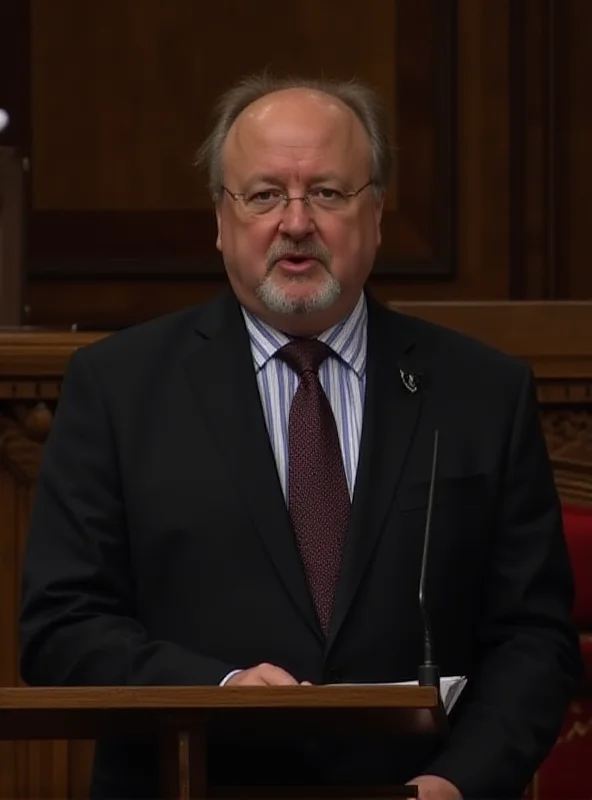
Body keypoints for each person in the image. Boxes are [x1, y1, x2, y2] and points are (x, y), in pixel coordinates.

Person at [19, 73, 581, 800]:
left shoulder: (480, 393)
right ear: (220, 221)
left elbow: (533, 641)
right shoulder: (118, 389)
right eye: (263, 195)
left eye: (327, 192)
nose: (295, 221)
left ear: (376, 213)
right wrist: (216, 688)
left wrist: (455, 784)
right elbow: (61, 626)